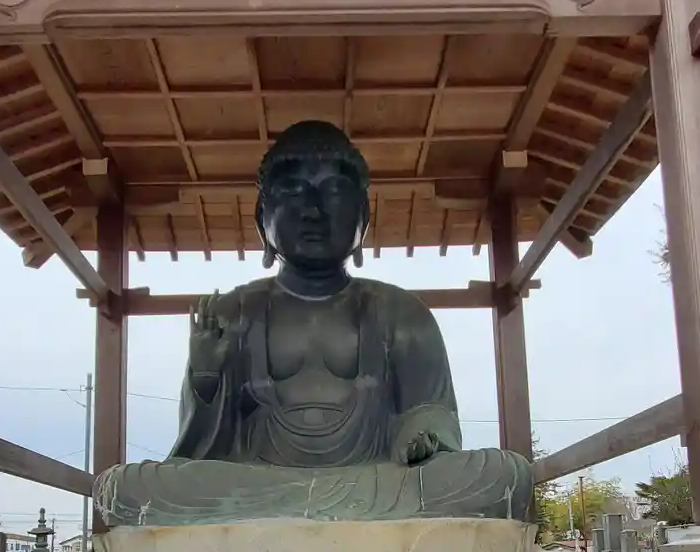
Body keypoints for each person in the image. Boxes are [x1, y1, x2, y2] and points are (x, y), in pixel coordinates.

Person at [97, 119, 532, 527]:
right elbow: (201, 451)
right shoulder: (232, 312)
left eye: (334, 191)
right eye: (292, 191)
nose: (313, 210)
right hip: (257, 483)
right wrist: (207, 380)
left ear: (363, 218)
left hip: (373, 481)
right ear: (262, 219)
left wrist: (422, 436)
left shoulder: (403, 313)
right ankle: (335, 523)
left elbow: (430, 412)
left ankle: (292, 524)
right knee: (123, 488)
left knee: (503, 474)